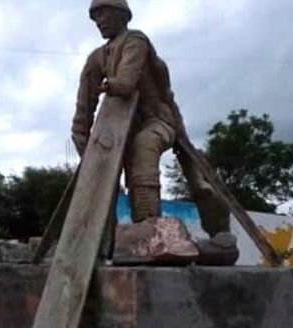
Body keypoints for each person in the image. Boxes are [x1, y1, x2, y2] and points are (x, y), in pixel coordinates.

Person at [72, 0, 239, 264]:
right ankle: (112, 241)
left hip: (158, 120)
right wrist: (83, 140)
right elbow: (84, 106)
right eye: (95, 17)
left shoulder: (136, 41)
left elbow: (126, 82)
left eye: (104, 14)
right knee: (107, 178)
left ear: (122, 15)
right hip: (124, 129)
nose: (99, 21)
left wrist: (112, 85)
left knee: (155, 155)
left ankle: (164, 229)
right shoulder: (96, 59)